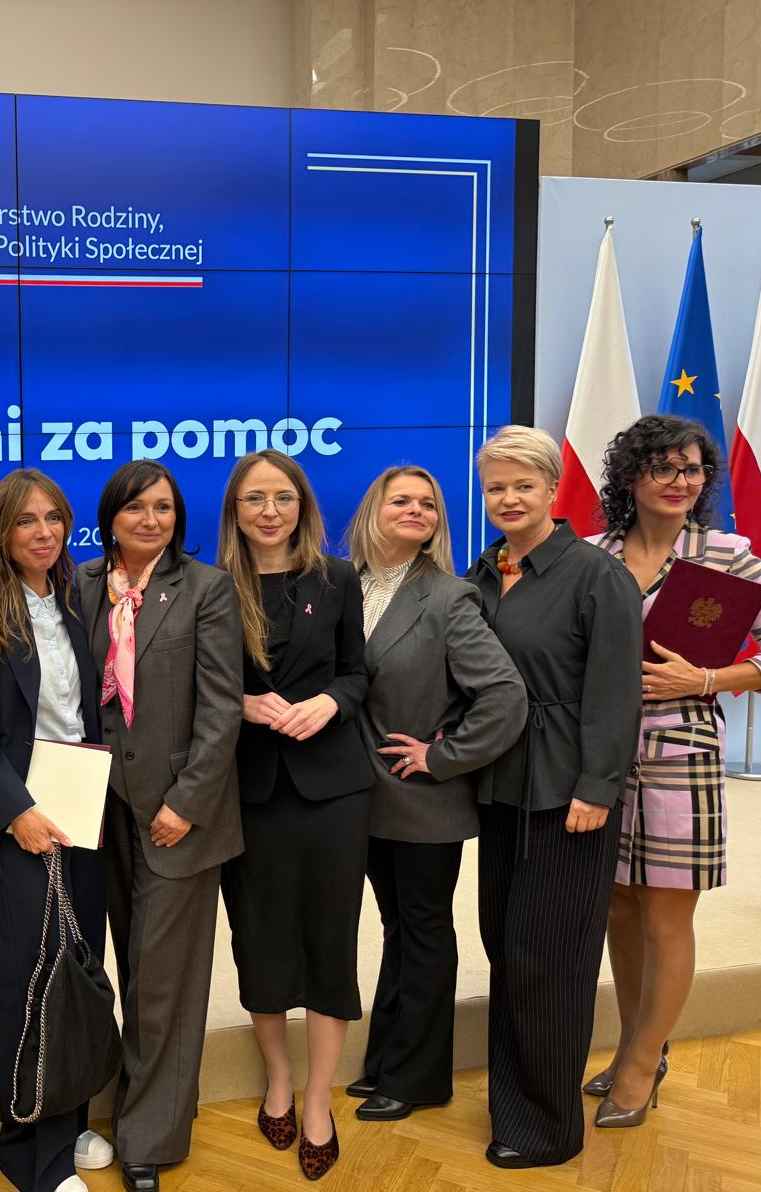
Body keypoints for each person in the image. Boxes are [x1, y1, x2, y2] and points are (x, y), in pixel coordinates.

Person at [586, 415, 761, 1128]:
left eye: (692, 468)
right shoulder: (592, 555)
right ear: (630, 478)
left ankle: (641, 1064)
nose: (681, 481)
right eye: (664, 467)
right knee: (618, 906)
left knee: (665, 914)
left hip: (681, 756)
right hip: (598, 759)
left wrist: (708, 678)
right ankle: (636, 1044)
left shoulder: (726, 556)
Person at [467, 425, 643, 1169]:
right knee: (506, 948)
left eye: (523, 485)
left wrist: (598, 786)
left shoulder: (597, 575)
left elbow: (616, 691)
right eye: (495, 487)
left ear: (551, 489)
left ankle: (549, 1127)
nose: (508, 498)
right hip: (499, 787)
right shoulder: (485, 570)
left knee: (550, 960)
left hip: (569, 794)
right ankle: (514, 1102)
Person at [74, 459, 242, 1192]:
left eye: (164, 508)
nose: (151, 520)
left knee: (163, 979)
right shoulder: (79, 584)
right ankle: (131, 1102)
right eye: (136, 508)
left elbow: (222, 706)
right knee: (114, 968)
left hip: (178, 811)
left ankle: (150, 1137)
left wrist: (189, 800)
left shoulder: (206, 588)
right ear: (110, 517)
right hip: (95, 807)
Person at [342, 466, 526, 1123]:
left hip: (424, 802)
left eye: (428, 503)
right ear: (374, 509)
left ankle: (418, 1078)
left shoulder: (449, 597)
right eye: (401, 500)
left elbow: (504, 695)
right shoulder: (347, 585)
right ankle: (388, 1061)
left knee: (422, 930)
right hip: (362, 798)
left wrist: (445, 756)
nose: (416, 509)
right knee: (396, 927)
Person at [0, 469, 114, 1192]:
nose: (43, 532)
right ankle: (32, 1161)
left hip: (83, 809)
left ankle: (68, 1128)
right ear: (0, 532)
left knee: (76, 969)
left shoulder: (74, 600)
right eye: (25, 521)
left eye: (53, 518)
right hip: (21, 819)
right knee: (26, 985)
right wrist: (16, 812)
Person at [214, 450, 373, 1182]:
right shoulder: (211, 585)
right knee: (262, 941)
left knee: (329, 942)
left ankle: (316, 1097)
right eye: (255, 498)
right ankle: (278, 1077)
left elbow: (357, 672)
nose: (270, 510)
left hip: (333, 791)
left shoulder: (336, 578)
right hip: (250, 793)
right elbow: (191, 683)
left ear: (302, 505)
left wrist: (332, 702)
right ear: (235, 510)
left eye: (283, 497)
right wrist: (241, 704)